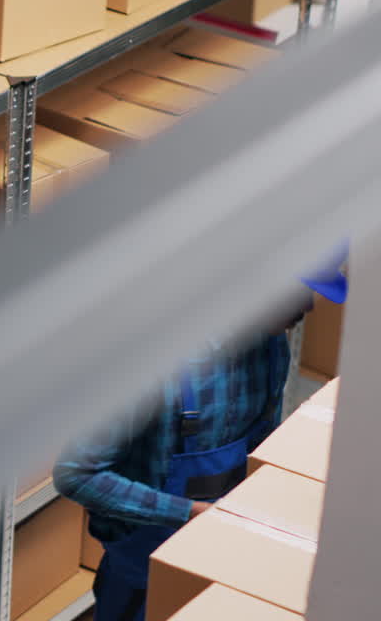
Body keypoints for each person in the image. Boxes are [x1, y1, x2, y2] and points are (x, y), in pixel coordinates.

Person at [54, 243, 348, 621]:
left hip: (221, 554)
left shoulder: (272, 348)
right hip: (139, 574)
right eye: (299, 290)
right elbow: (76, 474)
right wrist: (187, 512)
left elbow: (261, 445)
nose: (308, 307)